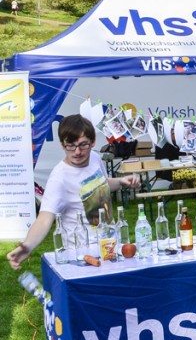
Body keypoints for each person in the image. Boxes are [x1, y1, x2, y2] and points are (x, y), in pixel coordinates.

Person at [8, 114, 141, 270]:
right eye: (71, 145)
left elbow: (99, 185)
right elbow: (44, 219)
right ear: (62, 145)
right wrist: (27, 246)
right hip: (82, 256)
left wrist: (120, 181)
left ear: (93, 143)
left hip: (109, 246)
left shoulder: (95, 158)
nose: (77, 152)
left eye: (83, 144)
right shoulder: (59, 178)